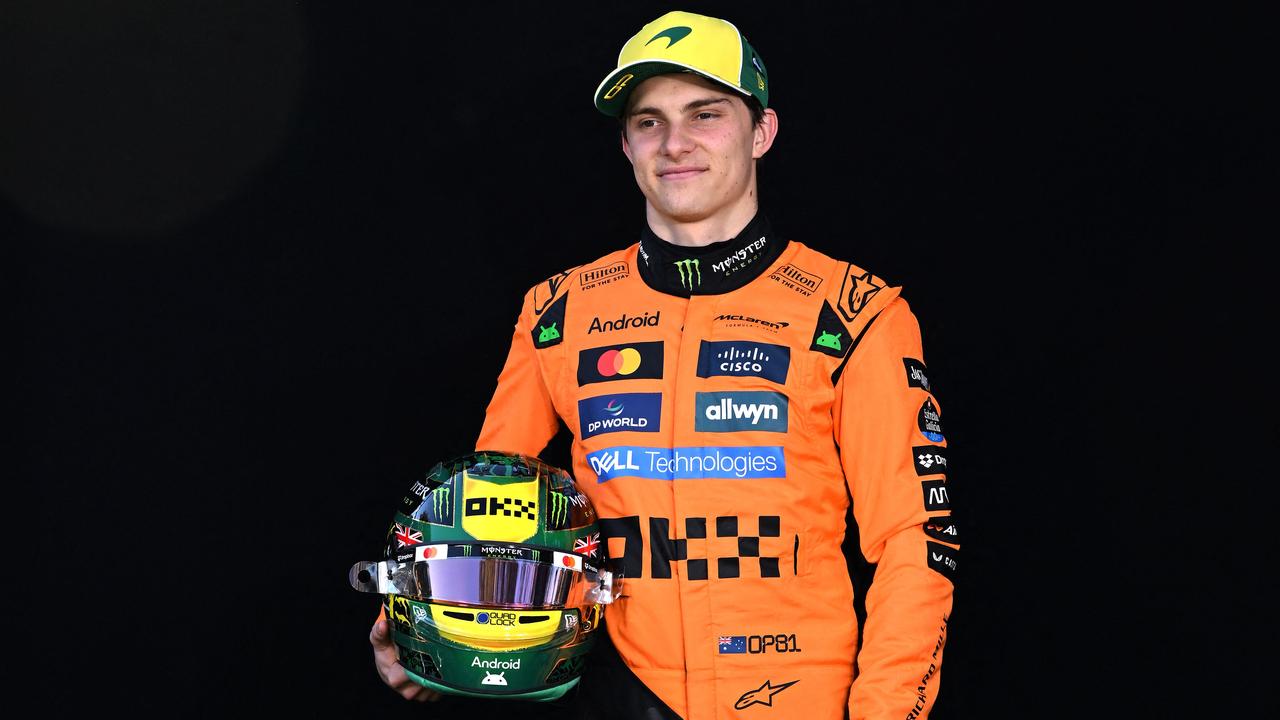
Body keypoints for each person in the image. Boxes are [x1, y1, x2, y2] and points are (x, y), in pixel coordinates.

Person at [370, 10, 957, 719]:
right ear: (625, 144)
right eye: (649, 122)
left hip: (800, 699)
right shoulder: (557, 313)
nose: (675, 143)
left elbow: (913, 539)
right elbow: (486, 514)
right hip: (618, 693)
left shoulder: (856, 313)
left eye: (705, 114)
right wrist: (434, 644)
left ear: (761, 132)